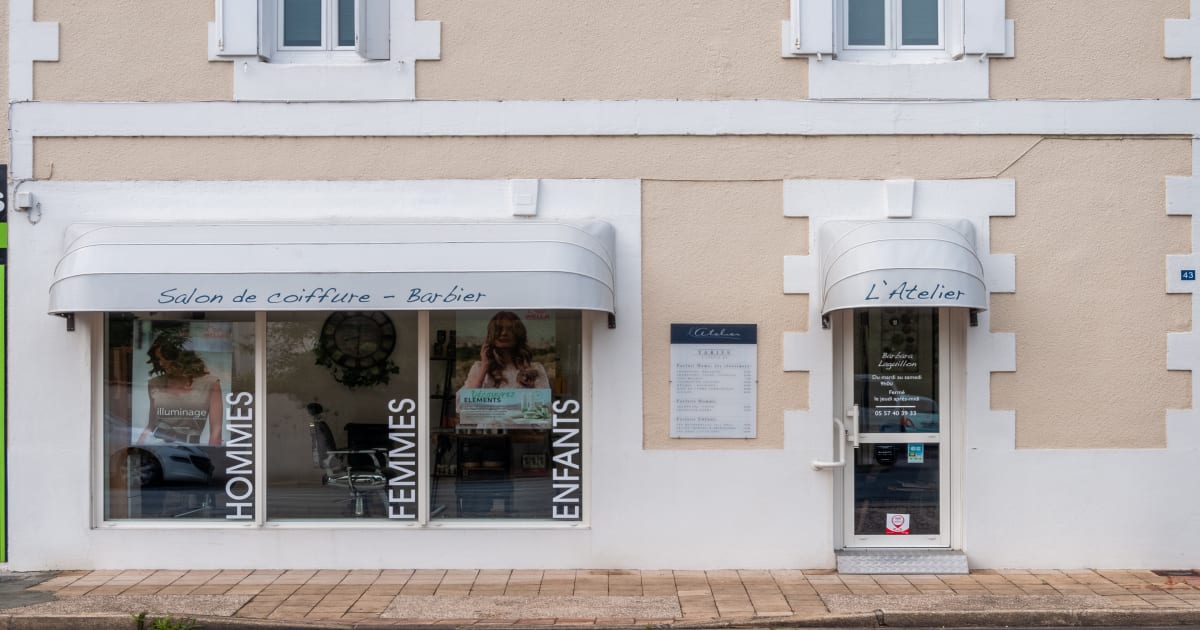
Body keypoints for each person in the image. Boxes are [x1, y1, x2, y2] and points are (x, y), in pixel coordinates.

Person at [137, 328, 223, 446]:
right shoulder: (155, 384)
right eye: (158, 359)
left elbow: (216, 431)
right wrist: (138, 448)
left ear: (179, 357)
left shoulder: (210, 384)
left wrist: (212, 458)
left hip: (190, 448)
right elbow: (151, 424)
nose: (160, 363)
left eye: (164, 358)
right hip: (157, 445)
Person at [461, 311, 550, 390]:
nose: (504, 333)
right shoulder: (479, 368)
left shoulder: (535, 369)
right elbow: (462, 405)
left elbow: (545, 406)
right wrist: (484, 368)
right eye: (499, 329)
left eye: (510, 329)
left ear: (518, 334)